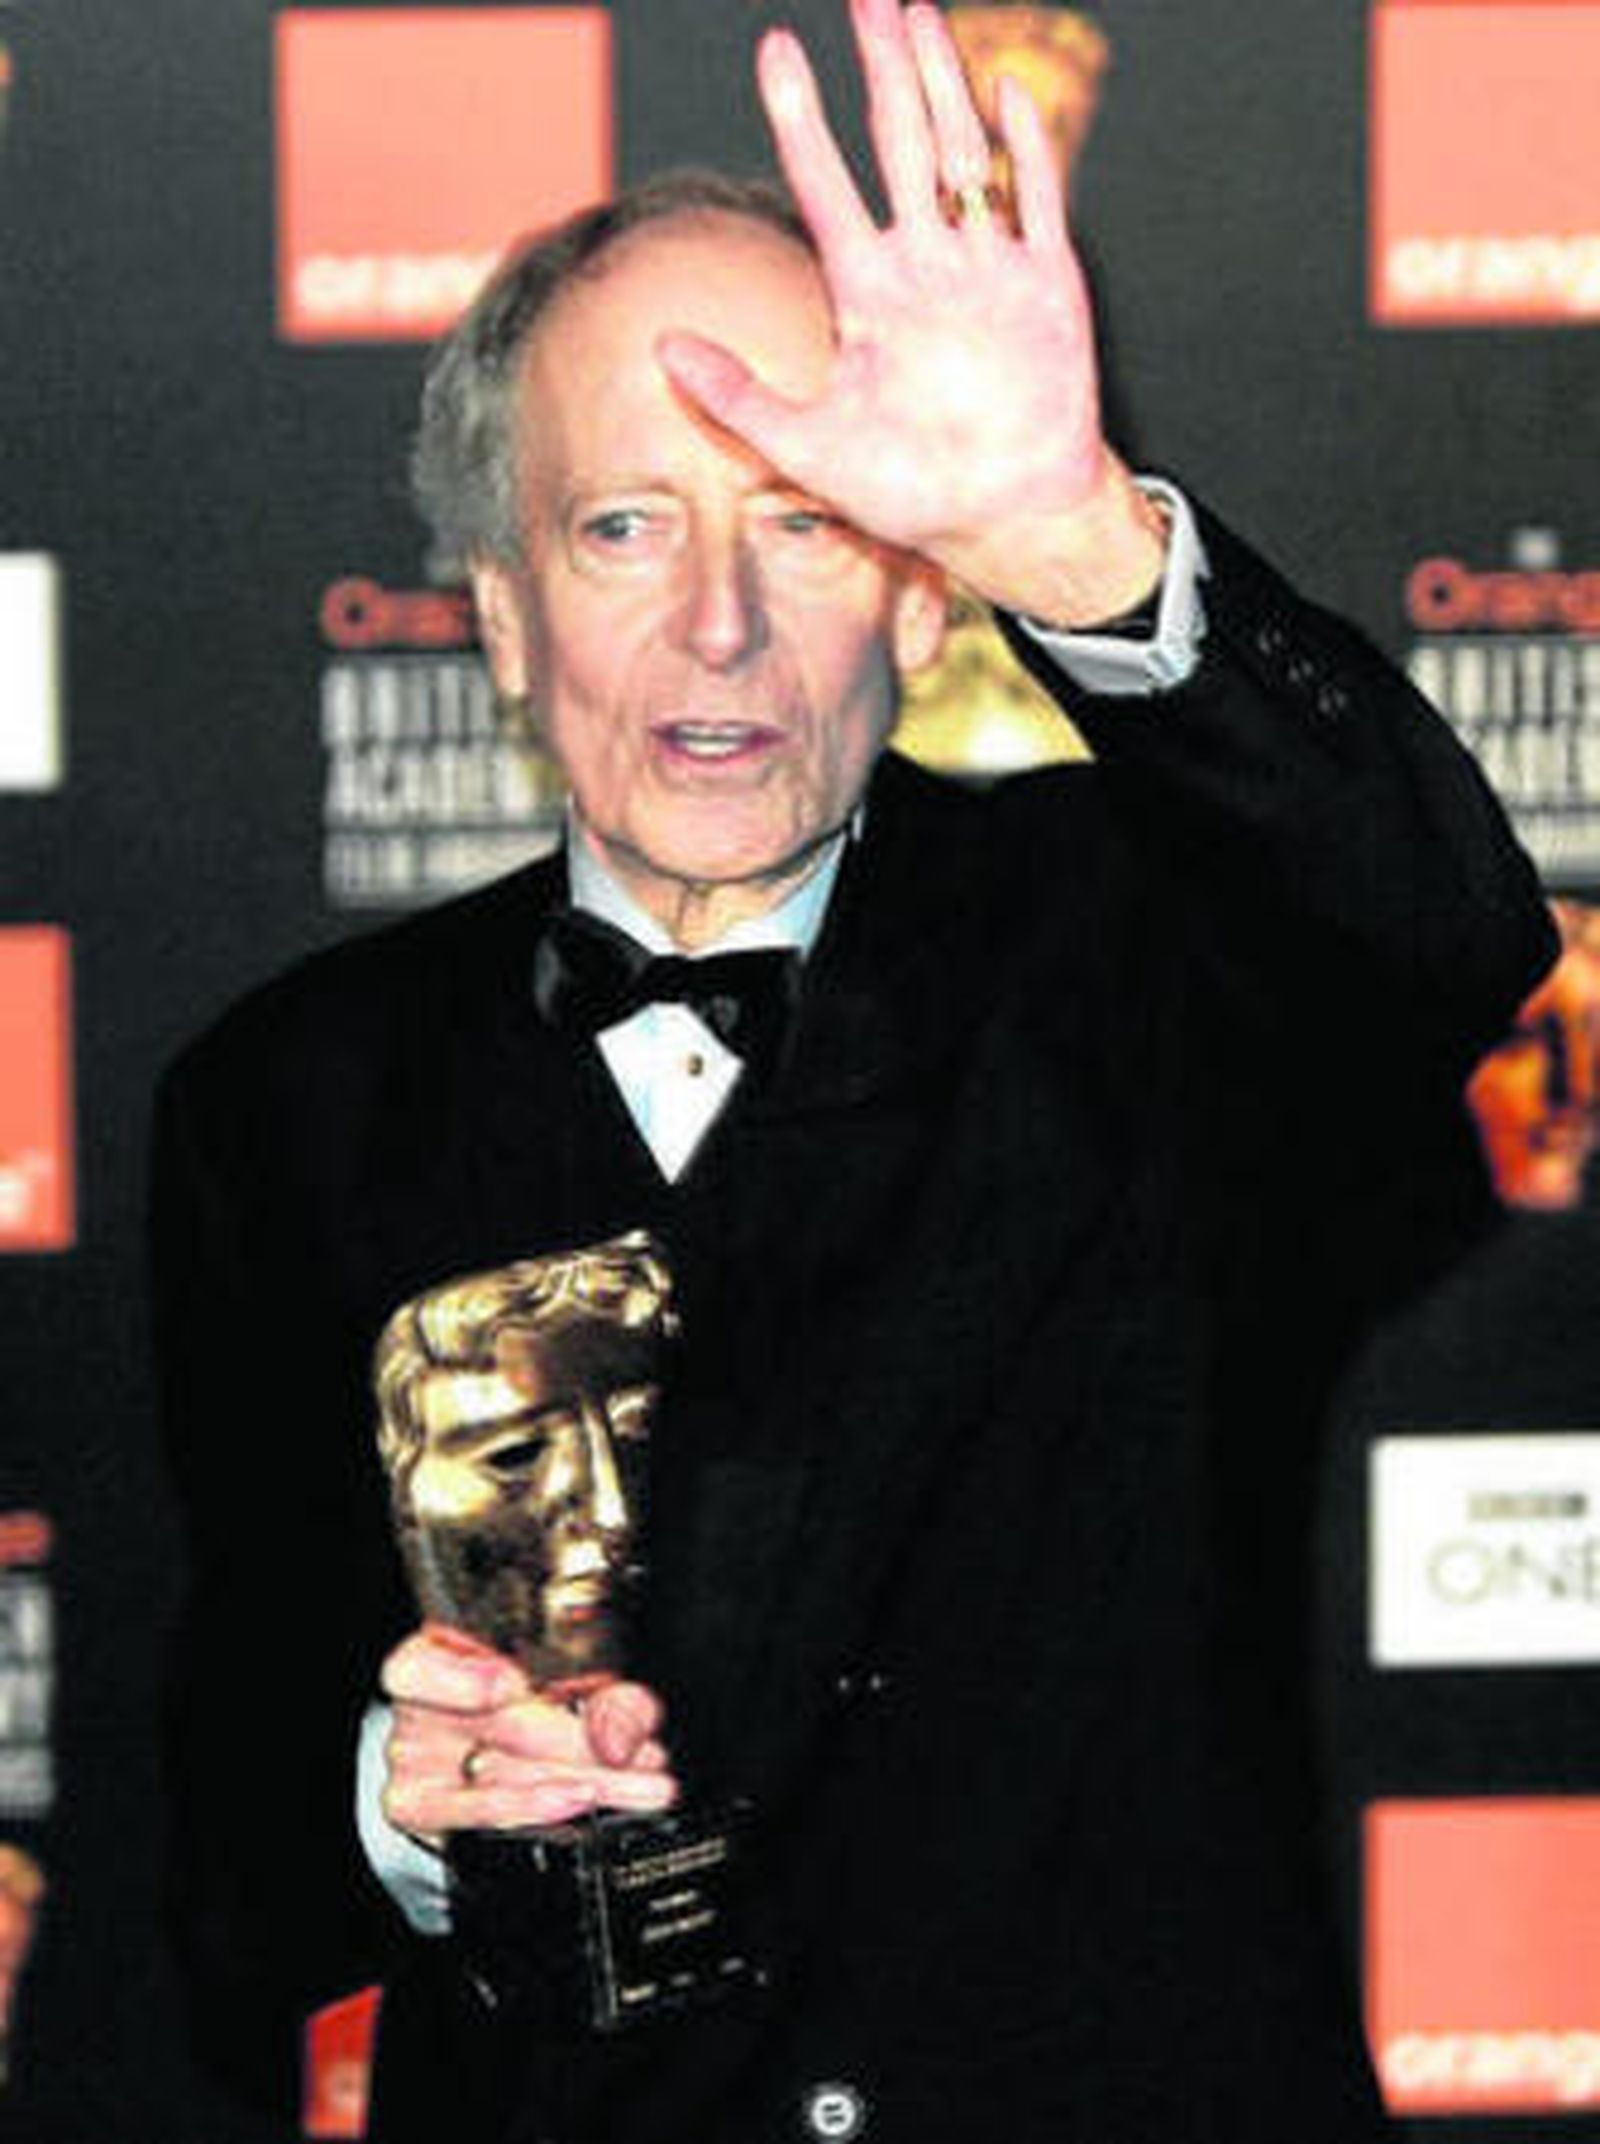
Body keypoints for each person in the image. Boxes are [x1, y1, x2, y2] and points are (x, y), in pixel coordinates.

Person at [152, 2, 1554, 2139]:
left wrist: (1064, 524)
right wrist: (392, 1797)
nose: (716, 623)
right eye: (623, 528)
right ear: (503, 615)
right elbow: (201, 1815)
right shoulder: (285, 1105)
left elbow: (1444, 924)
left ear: (915, 601)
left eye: (803, 524)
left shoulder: (1155, 947)